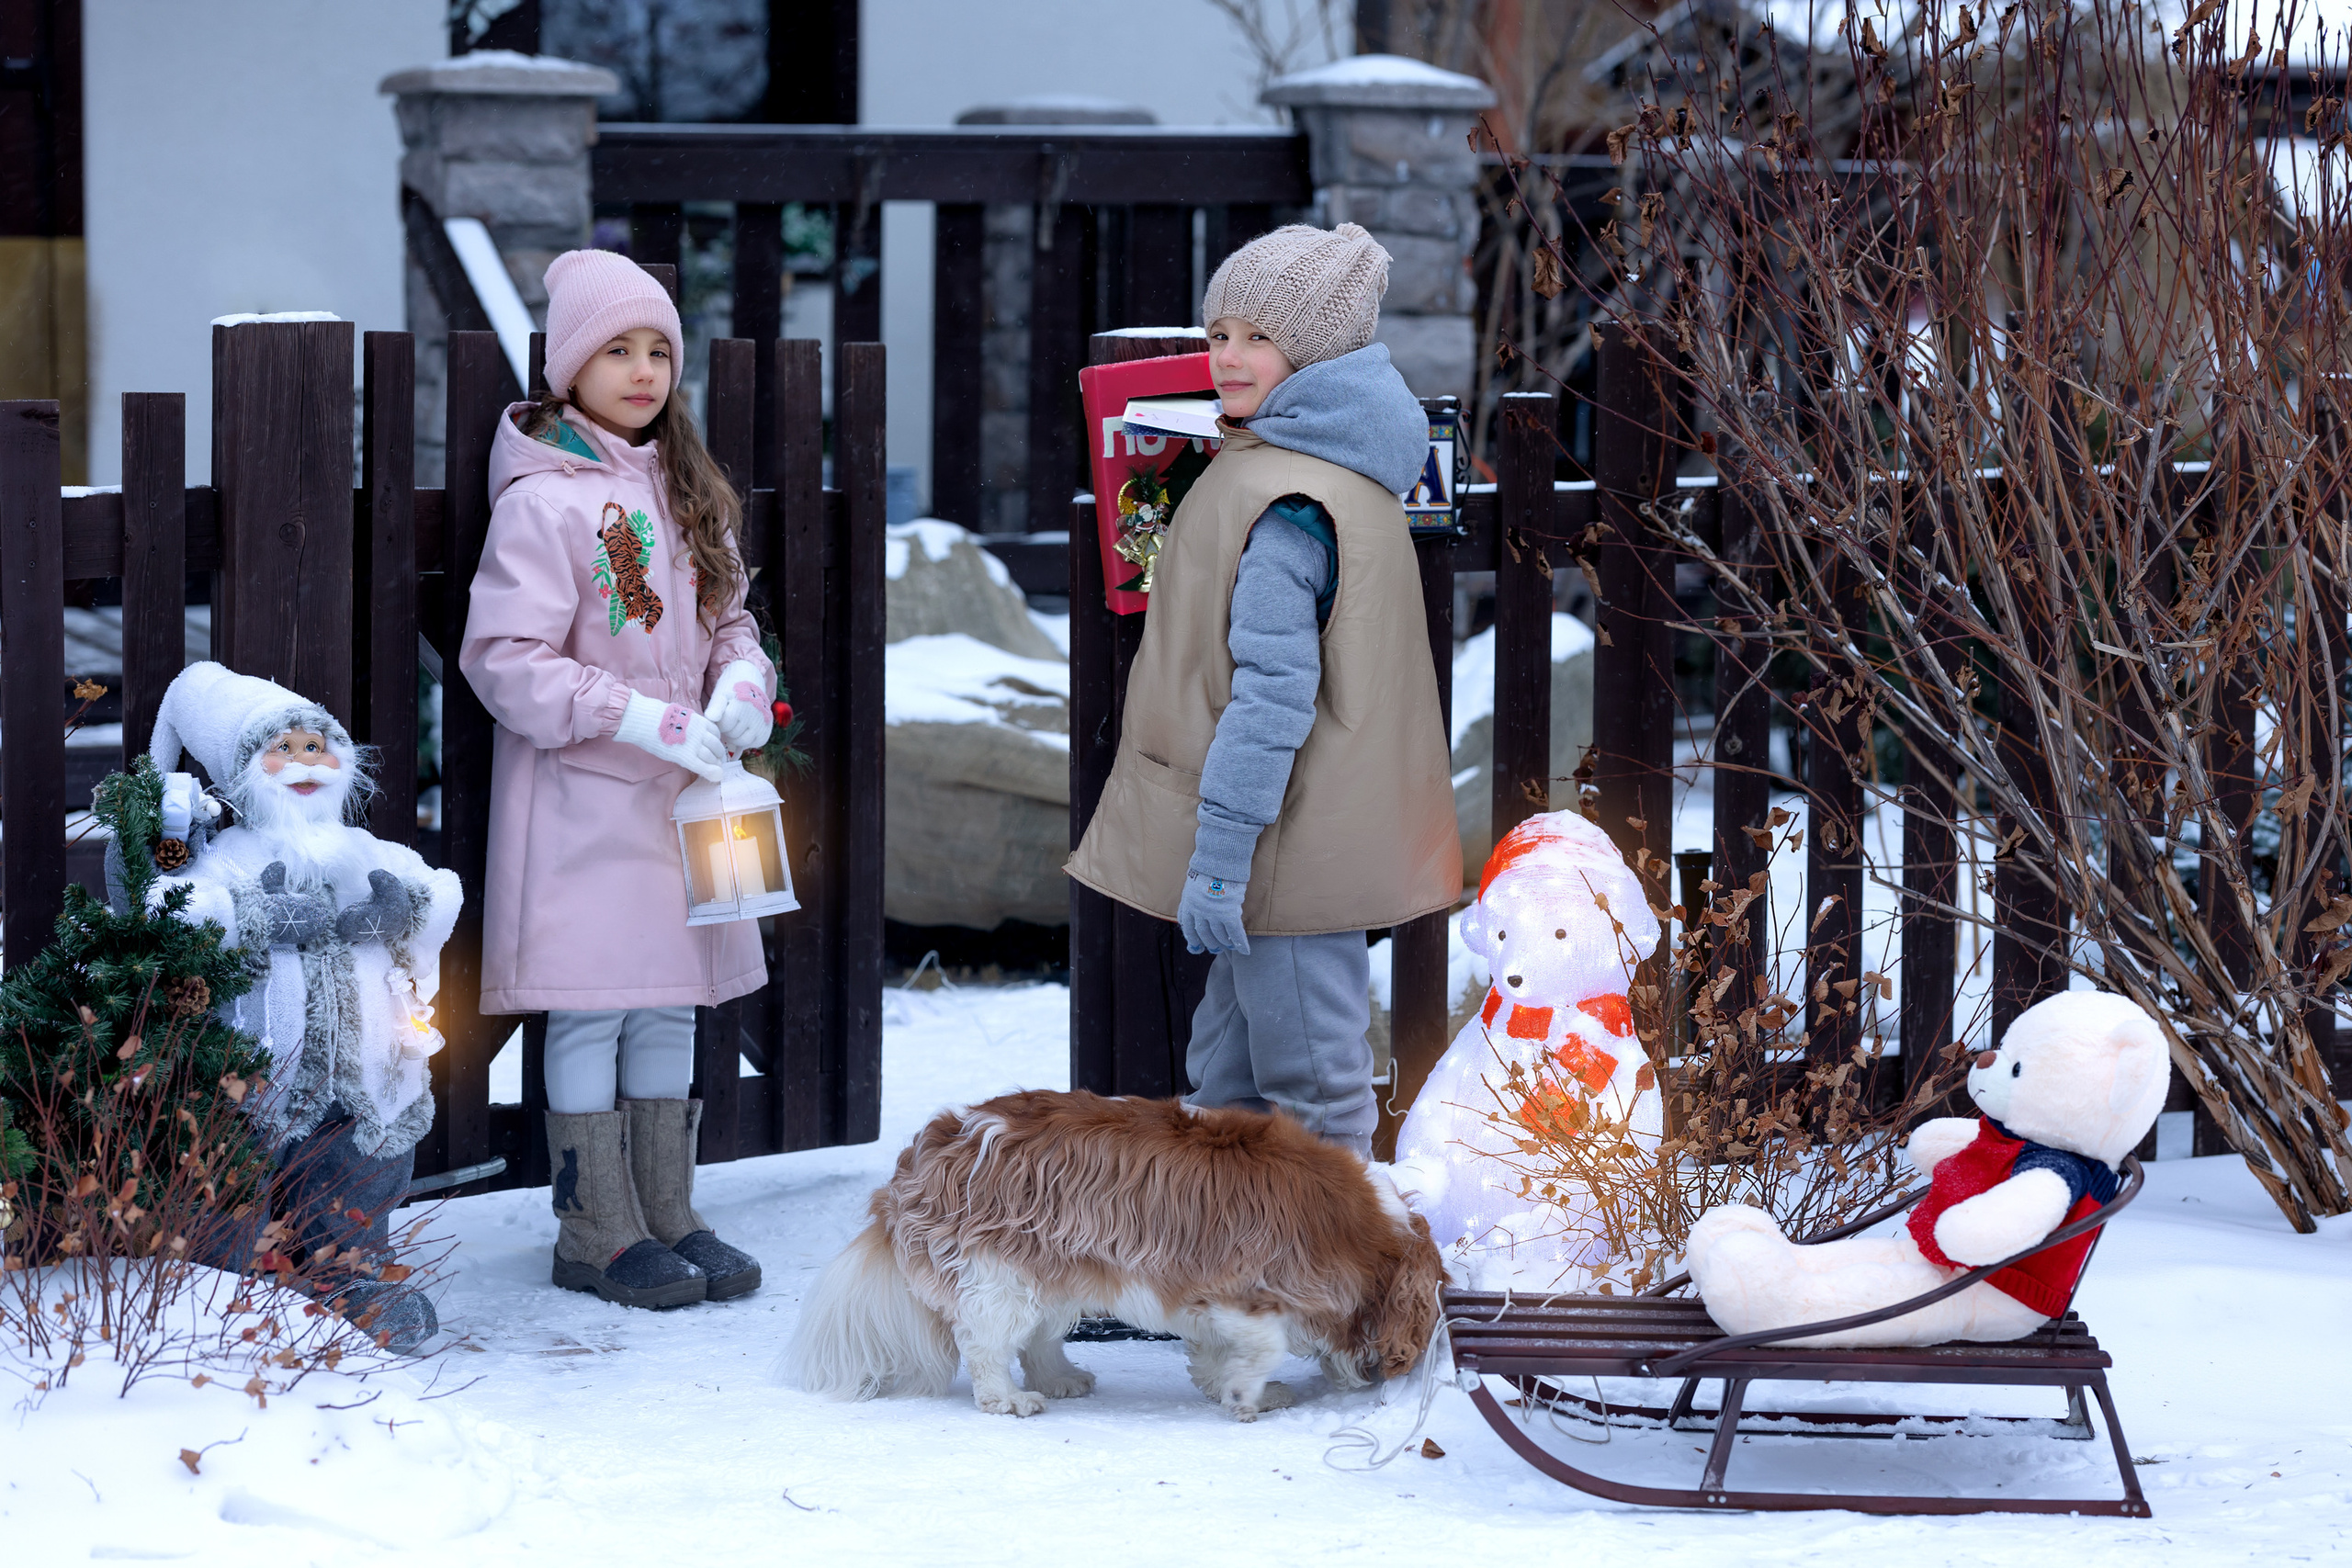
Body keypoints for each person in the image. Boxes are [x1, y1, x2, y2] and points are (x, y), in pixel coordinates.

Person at [1066, 223, 1461, 1160]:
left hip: (1284, 856)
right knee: (1226, 1087)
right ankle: (1224, 1246)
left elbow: (1274, 697)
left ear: (1315, 356)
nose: (1228, 358)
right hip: (1279, 856)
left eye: (1258, 337)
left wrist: (1218, 860)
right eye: (1219, 334)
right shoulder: (1303, 471)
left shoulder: (1288, 507)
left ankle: (1342, 1250)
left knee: (1315, 1097)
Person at [459, 249, 775, 1309]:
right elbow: (506, 657)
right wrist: (637, 715)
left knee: (671, 1006)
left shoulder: (685, 490)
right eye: (617, 351)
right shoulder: (543, 502)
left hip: (684, 801)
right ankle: (595, 1230)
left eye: (658, 352)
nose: (643, 371)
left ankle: (666, 1212)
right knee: (593, 1010)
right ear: (569, 368)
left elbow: (731, 623)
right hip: (586, 802)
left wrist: (742, 687)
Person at [146, 660, 464, 1354]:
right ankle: (218, 1292)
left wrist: (404, 909)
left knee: (356, 1173)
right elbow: (176, 908)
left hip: (360, 1074)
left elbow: (440, 889)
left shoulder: (361, 850)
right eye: (282, 748)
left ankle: (349, 1277)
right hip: (256, 1073)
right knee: (231, 1180)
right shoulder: (228, 855)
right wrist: (252, 916)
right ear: (243, 771)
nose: (303, 762)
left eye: (316, 745)